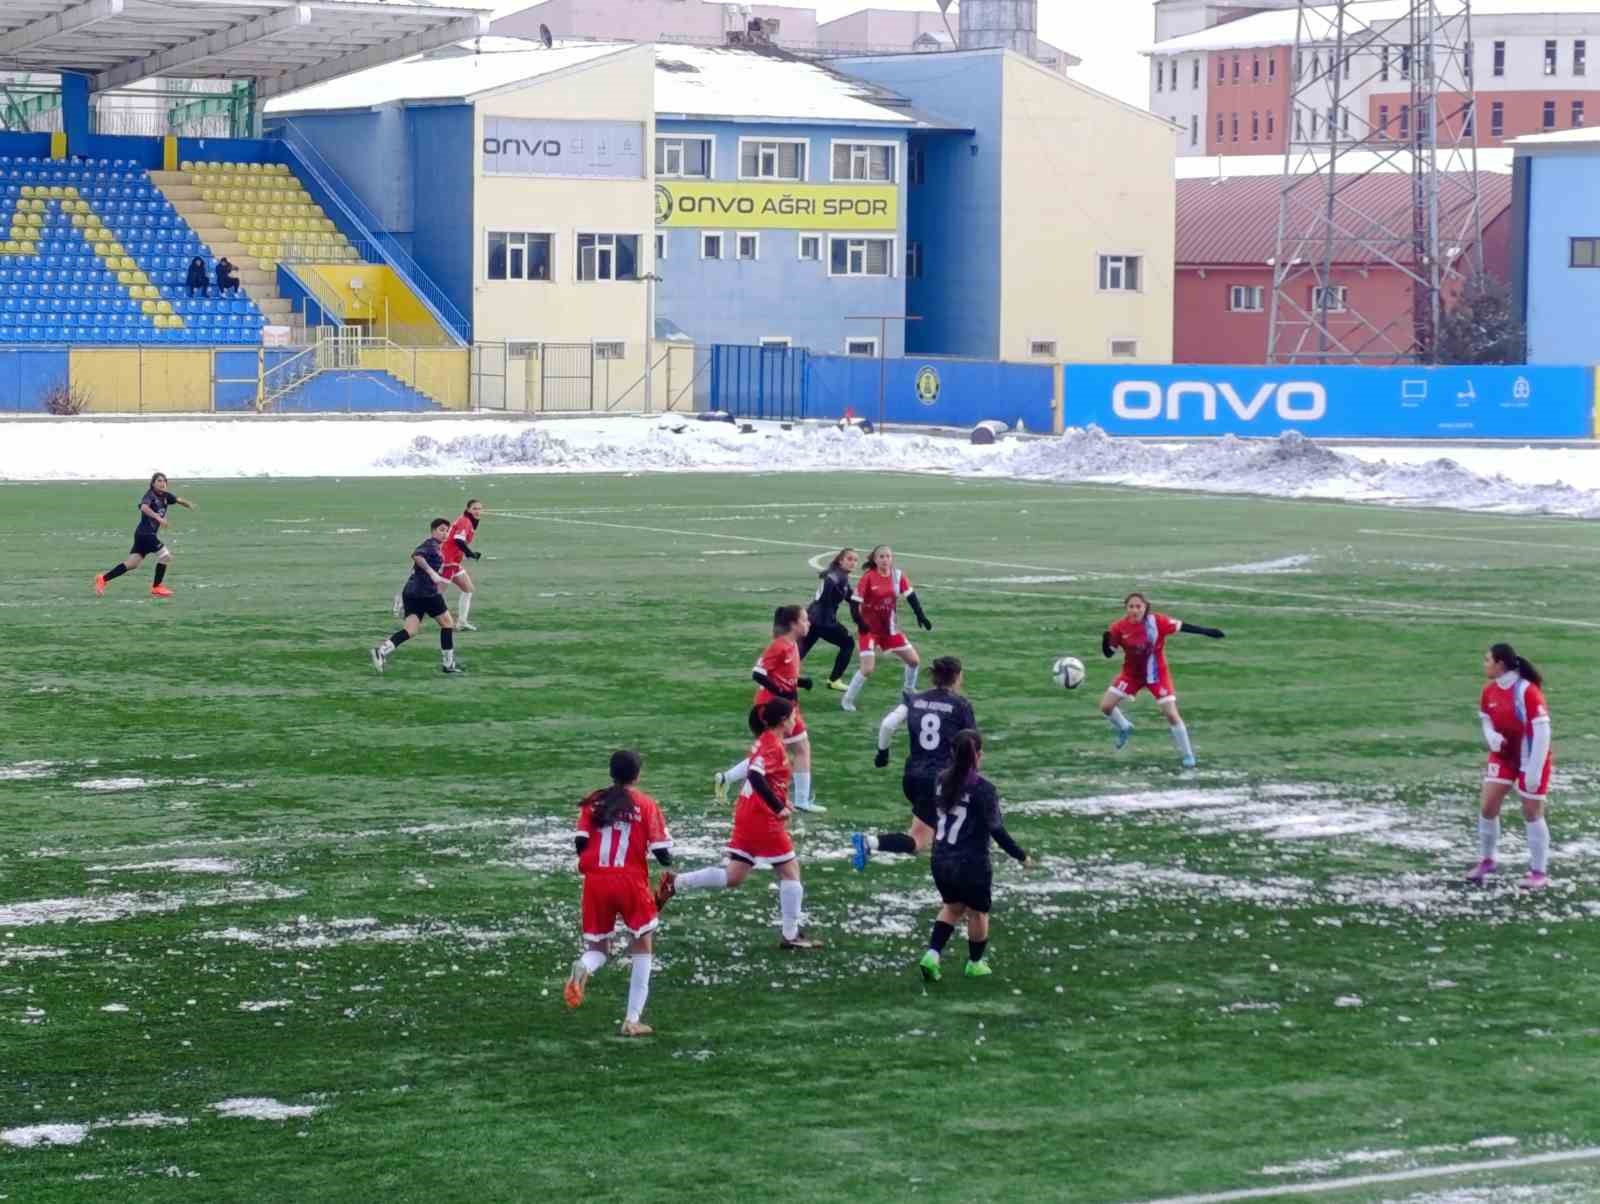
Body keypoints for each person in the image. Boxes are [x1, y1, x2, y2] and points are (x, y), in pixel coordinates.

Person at [657, 699, 822, 950]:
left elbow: (764, 776)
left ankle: (676, 883)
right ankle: (790, 936)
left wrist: (781, 798)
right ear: (782, 720)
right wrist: (778, 807)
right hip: (763, 820)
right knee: (790, 871)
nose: (795, 720)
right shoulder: (773, 745)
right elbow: (756, 775)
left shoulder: (766, 741)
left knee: (734, 875)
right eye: (792, 716)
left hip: (749, 814)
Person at [564, 749, 673, 1037]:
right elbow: (663, 853)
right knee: (642, 944)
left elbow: (580, 840)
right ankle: (632, 1019)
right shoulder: (646, 805)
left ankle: (584, 967)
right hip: (630, 881)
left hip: (596, 881)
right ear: (637, 775)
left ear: (611, 772)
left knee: (598, 949)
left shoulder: (594, 801)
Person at [917, 729, 1028, 982]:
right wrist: (1021, 856)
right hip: (971, 863)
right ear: (978, 755)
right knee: (977, 912)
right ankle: (975, 963)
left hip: (941, 858)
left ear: (952, 754)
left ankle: (932, 955)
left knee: (952, 907)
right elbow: (996, 829)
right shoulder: (984, 789)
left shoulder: (940, 779)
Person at [852, 655, 975, 870]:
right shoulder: (960, 705)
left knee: (937, 827)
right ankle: (869, 843)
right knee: (920, 840)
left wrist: (883, 753)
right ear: (956, 676)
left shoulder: (914, 699)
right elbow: (970, 745)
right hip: (939, 779)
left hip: (912, 777)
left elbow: (888, 725)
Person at [714, 606, 824, 813]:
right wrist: (780, 692)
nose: (809, 623)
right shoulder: (779, 646)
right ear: (793, 624)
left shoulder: (792, 645)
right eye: (805, 620)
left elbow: (781, 676)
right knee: (791, 749)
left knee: (786, 750)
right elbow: (758, 673)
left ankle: (726, 778)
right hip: (772, 707)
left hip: (787, 706)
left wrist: (800, 682)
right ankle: (800, 800)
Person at [1098, 591, 1224, 768]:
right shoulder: (1118, 627)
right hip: (1131, 675)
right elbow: (1109, 654)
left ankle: (1188, 756)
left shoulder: (1156, 622)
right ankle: (1125, 726)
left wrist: (1207, 631)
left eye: (1138, 606)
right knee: (1106, 706)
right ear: (1126, 609)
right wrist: (1105, 642)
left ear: (1145, 608)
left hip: (1157, 675)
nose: (1135, 610)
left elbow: (1183, 626)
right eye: (1131, 607)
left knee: (1171, 715)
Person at [1468, 643, 1554, 890]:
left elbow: (1542, 731)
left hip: (1531, 756)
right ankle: (1487, 860)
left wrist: (1535, 769)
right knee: (1487, 805)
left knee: (1531, 811)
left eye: (1487, 660)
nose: (1484, 664)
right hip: (1503, 756)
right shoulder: (1489, 691)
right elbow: (1485, 719)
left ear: (1500, 664)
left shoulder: (1526, 691)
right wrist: (1491, 737)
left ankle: (1539, 872)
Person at [840, 545, 932, 713]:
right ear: (875, 560)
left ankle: (909, 690)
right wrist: (860, 623)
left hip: (890, 630)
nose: (885, 559)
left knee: (914, 661)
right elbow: (854, 603)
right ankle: (847, 700)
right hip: (869, 630)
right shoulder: (868, 578)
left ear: (892, 558)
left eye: (888, 556)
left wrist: (921, 615)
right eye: (881, 556)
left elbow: (911, 596)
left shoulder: (898, 576)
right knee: (867, 668)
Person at [371, 518, 464, 675]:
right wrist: (432, 573)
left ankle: (381, 651)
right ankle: (448, 665)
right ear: (433, 530)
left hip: (412, 592)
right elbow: (416, 556)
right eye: (441, 530)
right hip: (427, 593)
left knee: (411, 630)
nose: (445, 533)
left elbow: (414, 569)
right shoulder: (430, 545)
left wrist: (401, 594)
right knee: (447, 624)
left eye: (447, 530)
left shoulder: (435, 546)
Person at [95, 473, 195, 598]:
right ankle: (157, 587)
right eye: (159, 481)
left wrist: (189, 505)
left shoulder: (166, 496)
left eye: (164, 481)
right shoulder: (150, 495)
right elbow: (144, 507)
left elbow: (177, 500)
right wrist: (158, 518)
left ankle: (103, 579)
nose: (162, 483)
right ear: (153, 483)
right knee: (165, 556)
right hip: (146, 534)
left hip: (142, 535)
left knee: (132, 564)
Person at [396, 500, 485, 630]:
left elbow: (456, 541)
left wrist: (465, 553)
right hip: (448, 562)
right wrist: (470, 553)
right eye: (475, 508)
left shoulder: (467, 520)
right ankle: (404, 603)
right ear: (468, 509)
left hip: (454, 562)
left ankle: (462, 622)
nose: (477, 511)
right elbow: (458, 540)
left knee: (468, 589)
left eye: (479, 509)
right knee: (435, 594)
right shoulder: (465, 522)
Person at [799, 548, 858, 691]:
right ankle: (834, 680)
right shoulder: (839, 576)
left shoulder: (837, 574)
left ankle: (778, 675)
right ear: (841, 560)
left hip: (812, 617)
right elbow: (828, 597)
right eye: (849, 559)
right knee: (848, 643)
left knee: (800, 652)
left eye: (855, 560)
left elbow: (850, 596)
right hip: (823, 621)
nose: (853, 563)